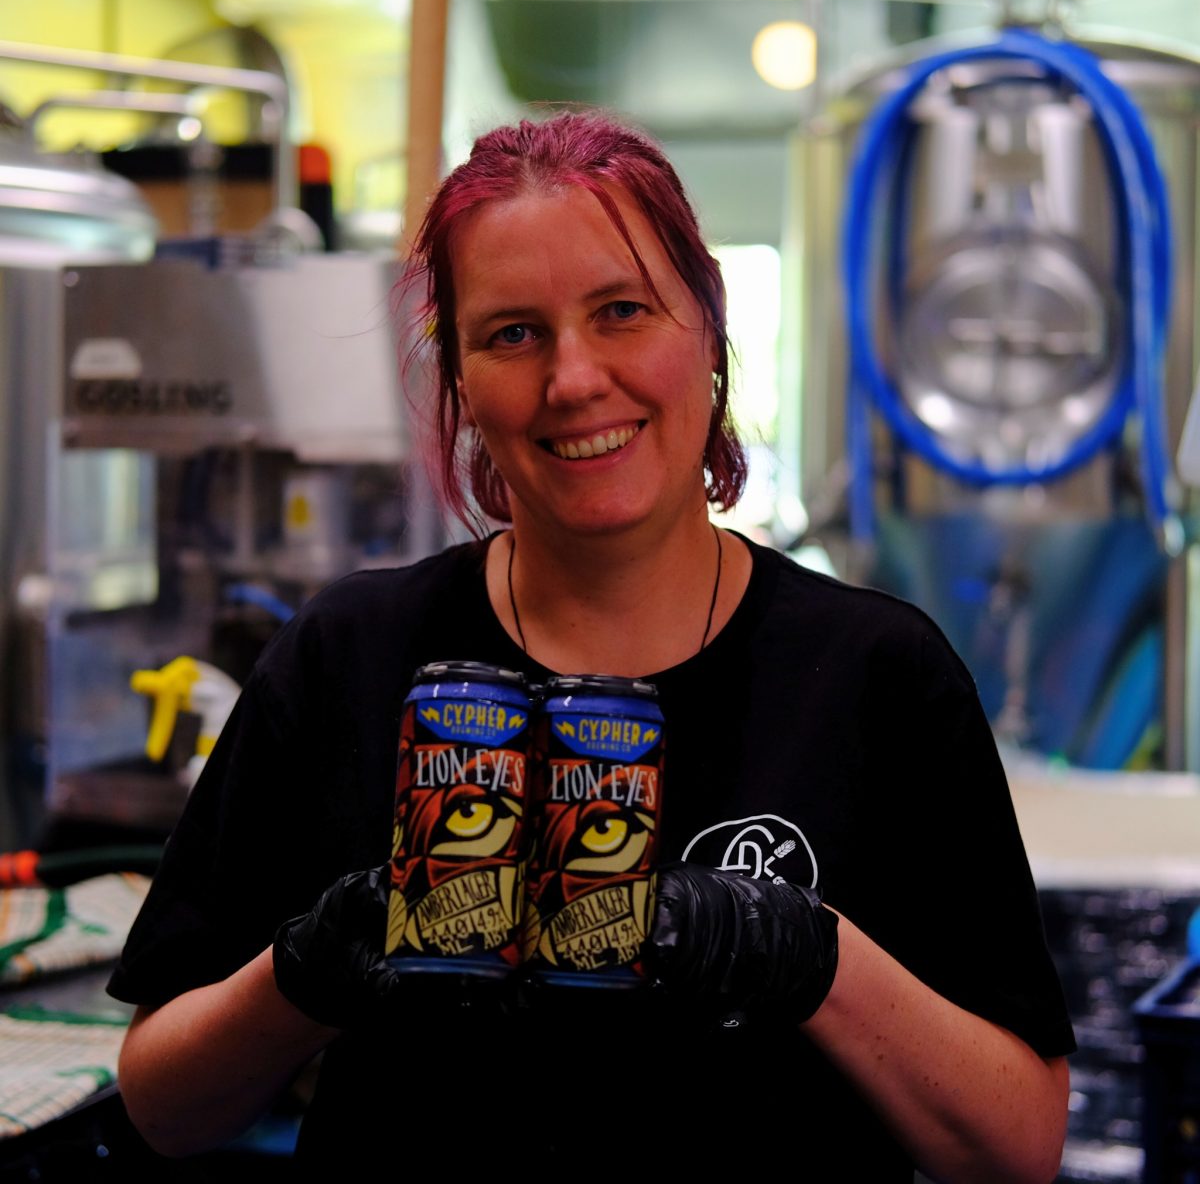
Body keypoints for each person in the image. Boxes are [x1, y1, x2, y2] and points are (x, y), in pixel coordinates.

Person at [110, 111, 1074, 1180]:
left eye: (621, 311)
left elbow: (1021, 1144)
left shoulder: (875, 678)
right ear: (463, 383)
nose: (573, 380)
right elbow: (160, 1103)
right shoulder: (350, 655)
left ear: (706, 331)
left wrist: (810, 958)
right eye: (513, 333)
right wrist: (305, 976)